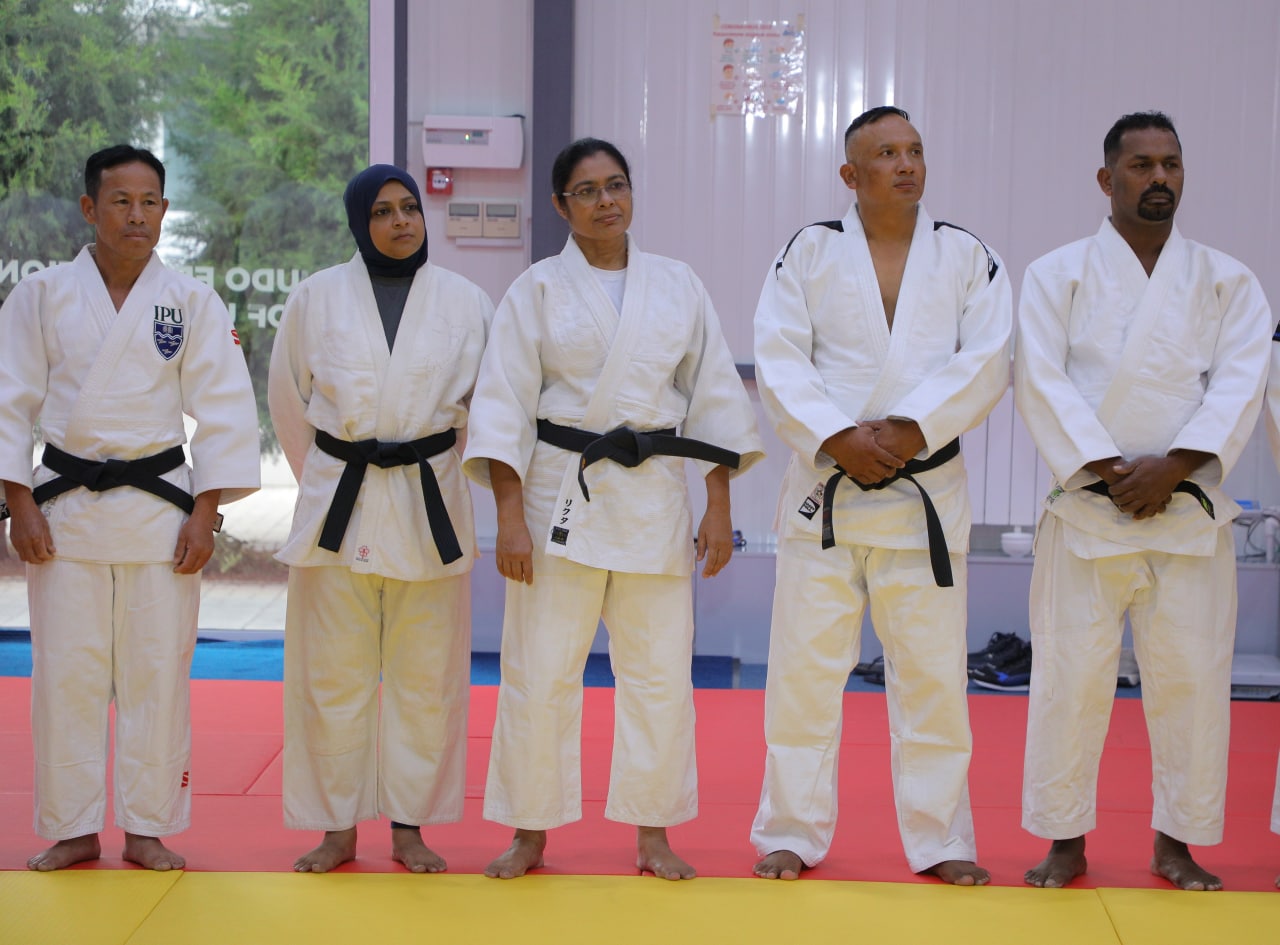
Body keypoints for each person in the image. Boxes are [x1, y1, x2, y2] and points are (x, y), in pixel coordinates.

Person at [462, 137, 763, 880]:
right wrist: (508, 518)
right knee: (539, 670)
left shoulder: (677, 284)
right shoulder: (535, 289)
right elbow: (503, 407)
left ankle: (653, 832)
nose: (607, 201)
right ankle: (530, 831)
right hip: (557, 493)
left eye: (617, 185)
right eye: (588, 190)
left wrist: (718, 504)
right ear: (561, 205)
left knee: (659, 673)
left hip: (653, 495)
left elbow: (713, 398)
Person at [751, 106, 1011, 885]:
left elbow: (988, 358)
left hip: (922, 489)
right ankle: (790, 830)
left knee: (933, 675)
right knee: (803, 673)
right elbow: (778, 354)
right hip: (828, 490)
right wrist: (838, 436)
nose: (906, 165)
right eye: (888, 153)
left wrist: (910, 429)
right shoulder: (809, 250)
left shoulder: (967, 255)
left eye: (915, 151)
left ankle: (942, 837)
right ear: (850, 174)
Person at [1014, 111, 1271, 891]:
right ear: (1107, 178)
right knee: (1069, 679)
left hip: (1186, 508)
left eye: (1171, 164)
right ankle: (1065, 840)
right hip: (1090, 506)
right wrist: (1112, 469)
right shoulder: (1056, 274)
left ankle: (1176, 842)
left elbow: (1240, 383)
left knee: (1193, 682)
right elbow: (1041, 379)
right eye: (1141, 165)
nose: (1159, 178)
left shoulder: (1228, 280)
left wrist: (1175, 468)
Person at [0, 144, 260, 871]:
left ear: (165, 211)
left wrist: (206, 513)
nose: (136, 215)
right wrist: (18, 502)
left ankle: (148, 826)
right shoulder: (41, 296)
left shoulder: (191, 301)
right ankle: (72, 826)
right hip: (65, 511)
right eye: (121, 201)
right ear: (91, 208)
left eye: (149, 202)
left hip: (159, 512)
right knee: (66, 674)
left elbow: (224, 412)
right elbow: (8, 401)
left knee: (156, 674)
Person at [268, 164, 493, 873]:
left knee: (427, 678)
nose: (400, 221)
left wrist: (444, 471)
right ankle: (336, 827)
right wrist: (324, 480)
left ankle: (408, 827)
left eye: (410, 207)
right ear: (359, 223)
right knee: (330, 674)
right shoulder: (315, 297)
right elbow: (288, 401)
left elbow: (485, 409)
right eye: (382, 212)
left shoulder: (466, 301)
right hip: (340, 501)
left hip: (430, 502)